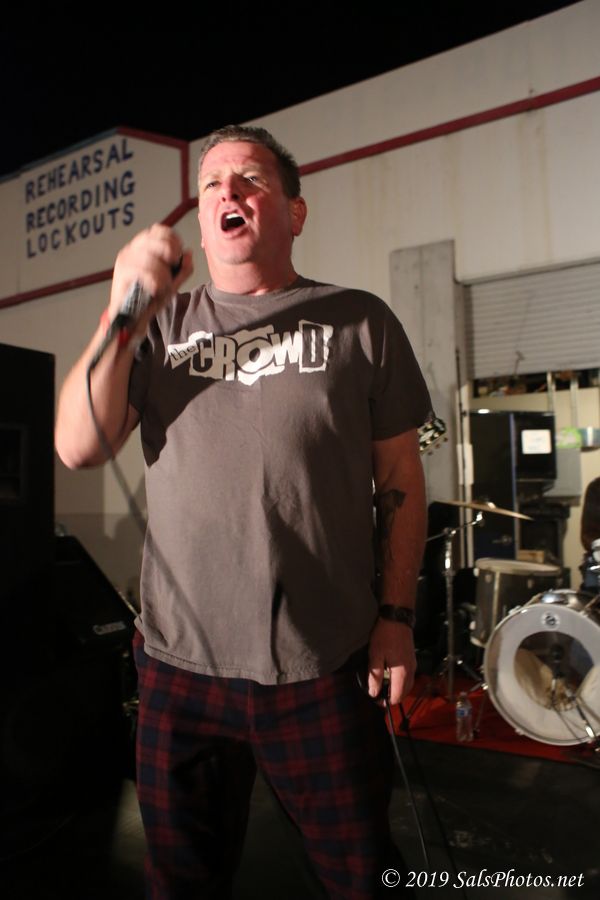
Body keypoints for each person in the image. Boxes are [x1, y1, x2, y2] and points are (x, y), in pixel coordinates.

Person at [55, 125, 431, 899]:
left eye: (251, 178)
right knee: (180, 884)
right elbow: (77, 447)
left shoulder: (360, 321)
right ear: (201, 222)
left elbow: (400, 477)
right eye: (212, 184)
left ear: (295, 212)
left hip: (322, 663)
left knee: (360, 877)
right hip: (179, 669)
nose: (227, 190)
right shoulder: (159, 327)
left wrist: (396, 617)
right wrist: (123, 312)